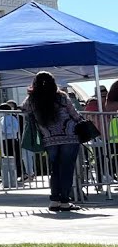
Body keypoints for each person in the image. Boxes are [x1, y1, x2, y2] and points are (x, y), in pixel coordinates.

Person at [22, 71, 86, 211]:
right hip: (69, 136)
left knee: (55, 169)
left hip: (49, 138)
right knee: (67, 169)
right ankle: (65, 201)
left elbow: (24, 110)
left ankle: (54, 200)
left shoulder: (32, 99)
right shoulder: (62, 97)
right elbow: (75, 114)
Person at [0, 101, 26, 182]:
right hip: (5, 140)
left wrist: (5, 131)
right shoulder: (2, 119)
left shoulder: (12, 118)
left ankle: (21, 174)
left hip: (12, 139)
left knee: (15, 157)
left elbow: (15, 128)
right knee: (7, 158)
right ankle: (8, 175)